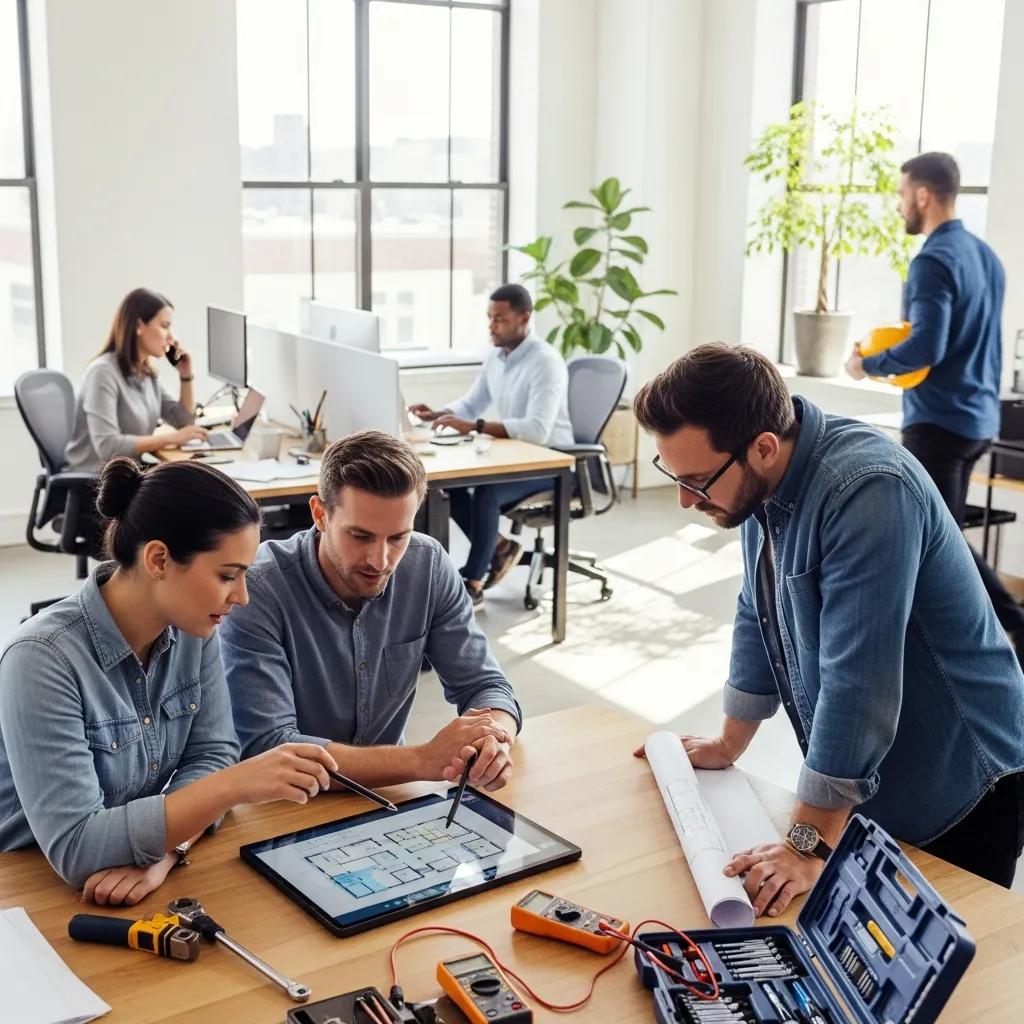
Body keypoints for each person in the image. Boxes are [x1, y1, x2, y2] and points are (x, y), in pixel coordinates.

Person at [633, 343, 1024, 912]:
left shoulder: (868, 490)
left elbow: (857, 685)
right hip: (879, 779)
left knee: (950, 984)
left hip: (962, 782)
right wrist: (728, 742)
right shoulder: (759, 483)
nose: (685, 500)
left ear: (763, 447)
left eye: (696, 480)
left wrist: (805, 843)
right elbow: (758, 608)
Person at [0, 458, 338, 905]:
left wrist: (168, 852)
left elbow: (213, 753)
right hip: (26, 887)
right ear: (158, 559)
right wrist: (235, 785)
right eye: (226, 575)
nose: (241, 597)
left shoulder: (193, 628)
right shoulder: (41, 659)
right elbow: (77, 845)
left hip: (123, 873)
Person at [219, 430, 522, 796]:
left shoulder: (427, 564)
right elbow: (272, 748)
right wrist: (422, 760)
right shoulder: (258, 588)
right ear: (320, 514)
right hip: (280, 806)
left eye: (397, 538)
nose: (380, 561)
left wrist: (494, 739)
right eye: (360, 536)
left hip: (388, 795)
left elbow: (485, 685)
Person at [845, 152, 1024, 661]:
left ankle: (1011, 624)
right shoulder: (985, 256)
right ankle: (952, 639)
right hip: (978, 420)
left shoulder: (932, 259)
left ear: (923, 195)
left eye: (902, 194)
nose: (900, 205)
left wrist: (868, 363)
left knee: (935, 538)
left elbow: (927, 346)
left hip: (939, 422)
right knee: (940, 535)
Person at [408, 284, 573, 608]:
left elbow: (538, 430)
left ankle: (474, 581)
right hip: (521, 455)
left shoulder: (545, 362)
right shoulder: (497, 358)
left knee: (489, 490)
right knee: (449, 488)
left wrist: (476, 427)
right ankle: (499, 547)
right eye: (489, 318)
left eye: (500, 318)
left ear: (524, 318)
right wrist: (440, 413)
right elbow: (472, 404)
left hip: (554, 460)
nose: (491, 326)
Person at [63, 287, 208, 473]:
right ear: (139, 326)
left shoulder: (147, 372)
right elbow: (107, 447)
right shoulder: (102, 373)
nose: (172, 337)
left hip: (125, 476)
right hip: (95, 484)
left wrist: (186, 375)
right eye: (165, 326)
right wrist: (172, 438)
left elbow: (184, 422)